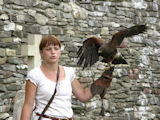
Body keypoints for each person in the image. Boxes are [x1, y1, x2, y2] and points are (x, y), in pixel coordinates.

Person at [20, 35, 114, 120]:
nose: (53, 52)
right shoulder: (35, 75)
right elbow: (28, 106)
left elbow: (83, 96)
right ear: (41, 52)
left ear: (60, 51)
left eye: (56, 49)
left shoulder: (69, 72)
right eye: (48, 49)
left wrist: (100, 83)